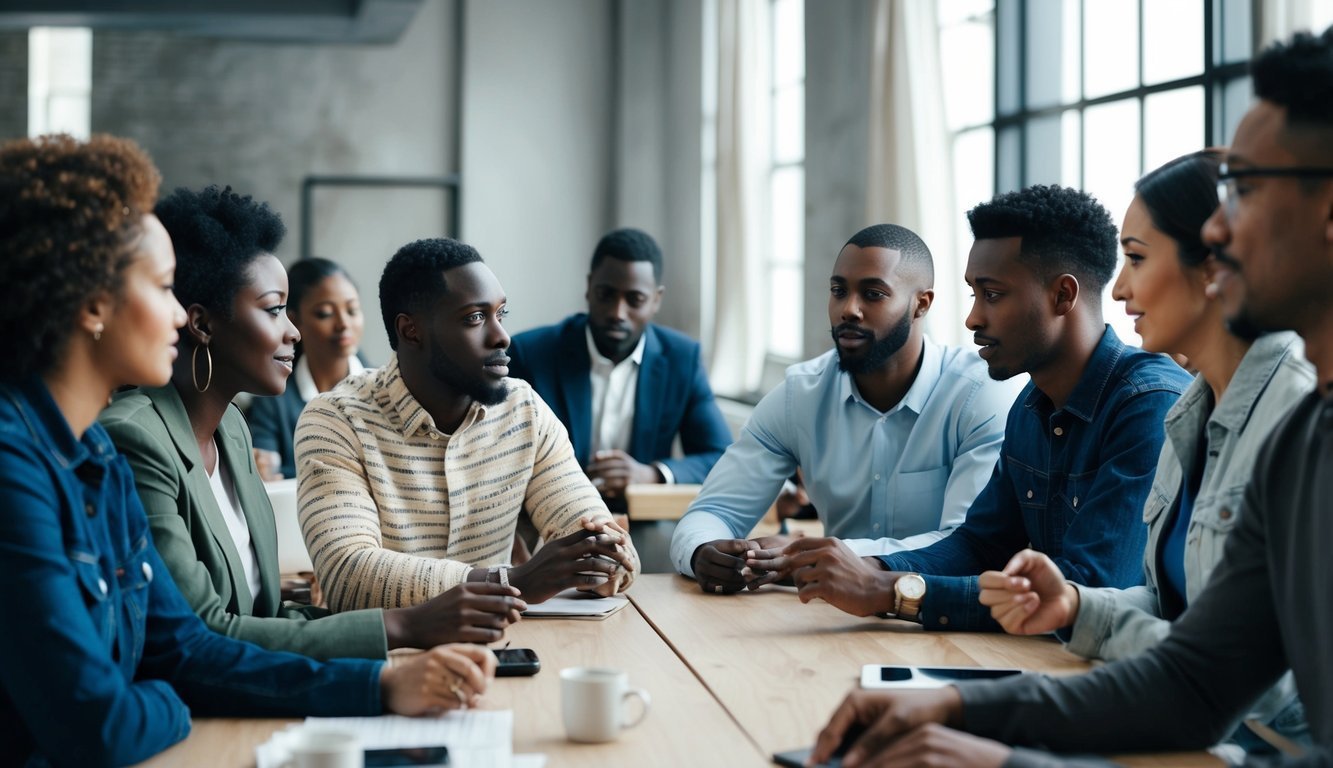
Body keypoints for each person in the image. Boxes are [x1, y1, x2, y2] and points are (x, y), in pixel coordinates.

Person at [807, 27, 1333, 768]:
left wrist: (1007, 757)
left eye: (1244, 191)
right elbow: (1194, 680)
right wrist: (958, 706)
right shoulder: (1301, 436)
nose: (1216, 230)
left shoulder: (1212, 406)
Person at [0, 134, 495, 767]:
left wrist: (380, 685)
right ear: (95, 305)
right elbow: (102, 724)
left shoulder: (91, 455)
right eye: (162, 288)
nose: (179, 317)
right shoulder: (19, 468)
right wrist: (169, 696)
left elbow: (182, 652)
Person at [98, 186, 524, 661]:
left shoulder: (232, 430)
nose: (293, 331)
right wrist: (403, 628)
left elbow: (267, 617)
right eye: (274, 309)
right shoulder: (135, 438)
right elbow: (203, 634)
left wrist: (418, 632)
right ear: (202, 324)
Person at [980, 151, 1312, 748]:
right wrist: (1077, 606)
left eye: (1136, 258)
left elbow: (1261, 685)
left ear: (1214, 260)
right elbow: (1170, 603)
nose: (1122, 286)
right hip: (1195, 735)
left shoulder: (1295, 416)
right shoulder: (1189, 411)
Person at [751, 186, 1192, 631]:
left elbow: (1091, 590)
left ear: (1062, 296)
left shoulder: (1149, 405)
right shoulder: (1031, 406)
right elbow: (980, 545)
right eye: (973, 295)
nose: (973, 319)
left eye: (993, 295)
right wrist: (860, 567)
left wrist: (892, 593)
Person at [669, 223, 1023, 593]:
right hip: (829, 620)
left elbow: (966, 545)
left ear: (922, 304)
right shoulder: (799, 395)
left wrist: (813, 558)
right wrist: (703, 551)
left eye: (873, 294)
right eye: (839, 291)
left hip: (945, 618)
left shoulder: (978, 396)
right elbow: (712, 513)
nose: (848, 310)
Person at [296, 237, 640, 613]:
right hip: (384, 660)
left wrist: (602, 559)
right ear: (411, 331)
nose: (501, 336)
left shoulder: (524, 410)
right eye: (475, 318)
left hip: (504, 647)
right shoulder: (334, 420)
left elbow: (613, 553)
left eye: (500, 314)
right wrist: (510, 582)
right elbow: (347, 578)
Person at [508, 228, 733, 571]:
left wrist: (651, 474)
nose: (618, 311)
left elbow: (720, 455)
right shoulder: (532, 353)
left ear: (656, 299)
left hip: (639, 524)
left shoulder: (682, 359)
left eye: (635, 300)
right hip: (545, 526)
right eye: (606, 294)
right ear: (588, 287)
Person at [247, 257, 370, 481]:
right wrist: (262, 467)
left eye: (352, 311)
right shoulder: (274, 395)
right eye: (325, 313)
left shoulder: (383, 390)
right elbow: (265, 466)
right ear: (295, 320)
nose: (343, 324)